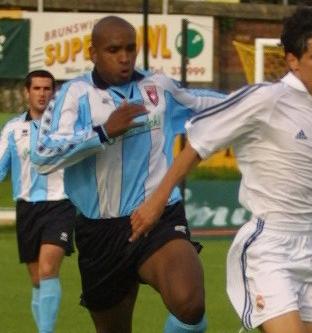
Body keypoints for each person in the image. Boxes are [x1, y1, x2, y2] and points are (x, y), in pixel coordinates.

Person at [130, 7, 312, 333]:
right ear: (292, 61)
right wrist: (157, 201)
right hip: (270, 246)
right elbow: (199, 145)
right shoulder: (265, 99)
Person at [31, 16, 225, 333]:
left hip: (158, 216)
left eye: (130, 49)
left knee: (189, 302)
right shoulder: (73, 95)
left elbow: (204, 102)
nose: (124, 57)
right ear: (93, 52)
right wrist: (103, 132)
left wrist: (260, 101)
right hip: (101, 231)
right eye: (113, 50)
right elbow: (43, 155)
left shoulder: (157, 87)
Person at [0, 70, 76, 333]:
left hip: (61, 205)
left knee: (47, 270)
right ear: (26, 92)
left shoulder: (67, 128)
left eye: (47, 89)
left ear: (54, 93)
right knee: (37, 280)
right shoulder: (12, 129)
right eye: (37, 89)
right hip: (27, 209)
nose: (42, 94)